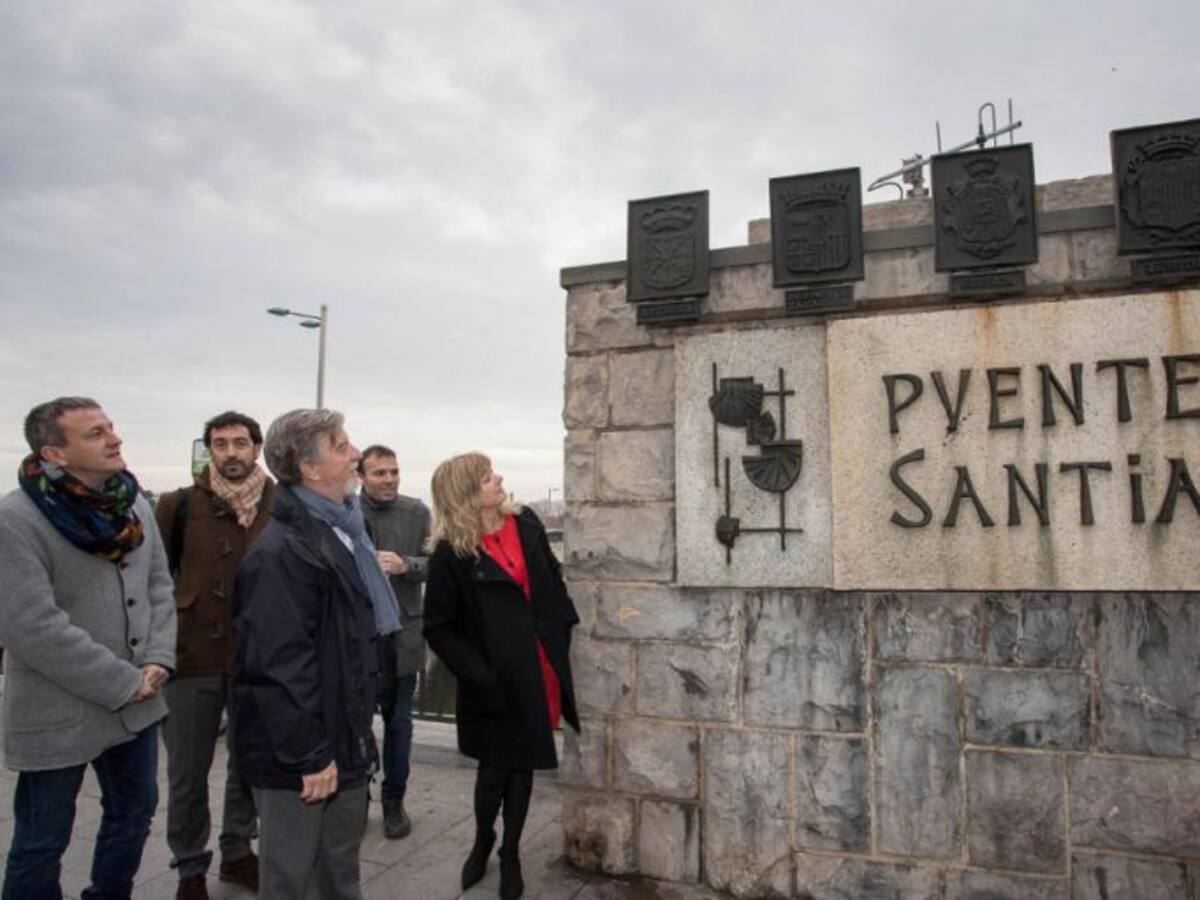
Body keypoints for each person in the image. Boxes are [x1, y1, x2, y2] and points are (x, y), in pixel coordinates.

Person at [0, 397, 176, 898]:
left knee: (133, 816)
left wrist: (159, 657)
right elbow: (31, 626)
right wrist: (125, 681)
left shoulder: (134, 502)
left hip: (135, 709)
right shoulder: (15, 519)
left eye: (111, 427)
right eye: (96, 433)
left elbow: (160, 584)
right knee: (41, 841)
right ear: (55, 453)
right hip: (59, 709)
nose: (114, 438)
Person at [231, 408, 393, 899]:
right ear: (309, 468)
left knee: (338, 873)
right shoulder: (282, 552)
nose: (355, 453)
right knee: (291, 879)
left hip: (342, 742)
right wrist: (310, 756)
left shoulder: (343, 533)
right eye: (341, 445)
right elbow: (279, 666)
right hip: (301, 759)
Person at [423, 452, 580, 900]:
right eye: (489, 477)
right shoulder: (451, 553)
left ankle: (510, 853)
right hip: (490, 679)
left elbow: (552, 576)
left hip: (538, 671)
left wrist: (561, 622)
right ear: (466, 494)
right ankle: (483, 838)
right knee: (494, 769)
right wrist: (479, 675)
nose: (500, 480)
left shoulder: (526, 522)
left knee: (524, 763)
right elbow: (439, 628)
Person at [155, 411, 275, 900]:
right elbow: (155, 580)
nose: (230, 452)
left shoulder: (280, 503)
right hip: (191, 658)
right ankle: (189, 868)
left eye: (239, 443)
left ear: (257, 448)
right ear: (209, 450)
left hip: (257, 659)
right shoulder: (178, 506)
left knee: (248, 764)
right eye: (219, 444)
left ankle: (238, 851)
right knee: (187, 772)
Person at [358, 445, 431, 839]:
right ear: (361, 477)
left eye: (393, 471)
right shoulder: (346, 514)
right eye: (379, 473)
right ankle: (359, 798)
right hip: (360, 643)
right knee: (357, 726)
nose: (388, 479)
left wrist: (408, 565)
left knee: (399, 725)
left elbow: (439, 562)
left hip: (403, 639)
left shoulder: (417, 513)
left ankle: (394, 800)